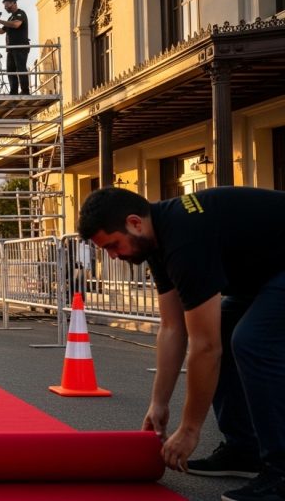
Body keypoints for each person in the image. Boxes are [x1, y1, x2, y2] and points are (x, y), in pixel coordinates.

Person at [78, 187, 285, 501]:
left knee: (252, 342)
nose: (114, 256)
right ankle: (244, 449)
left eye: (113, 246)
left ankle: (282, 471)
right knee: (230, 331)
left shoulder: (186, 238)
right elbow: (172, 328)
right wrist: (158, 403)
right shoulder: (158, 238)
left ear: (134, 223)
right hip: (266, 275)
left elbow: (205, 347)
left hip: (276, 273)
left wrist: (190, 430)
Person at [0, 0, 31, 95]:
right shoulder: (10, 18)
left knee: (20, 68)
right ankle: (13, 91)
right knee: (10, 70)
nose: (5, 8)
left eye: (7, 5)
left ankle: (25, 91)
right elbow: (1, 31)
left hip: (20, 46)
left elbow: (16, 25)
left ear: (13, 3)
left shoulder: (20, 13)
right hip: (11, 48)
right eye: (5, 6)